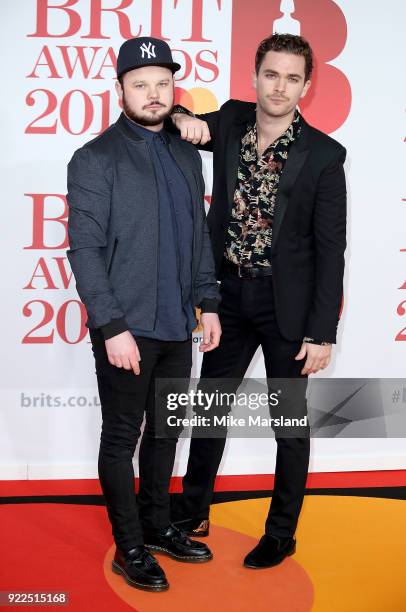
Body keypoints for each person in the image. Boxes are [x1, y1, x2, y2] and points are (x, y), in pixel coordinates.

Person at [170, 33, 347, 568]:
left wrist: (322, 333)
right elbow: (179, 115)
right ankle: (192, 511)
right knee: (209, 409)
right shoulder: (229, 122)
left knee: (288, 425)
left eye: (292, 78)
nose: (280, 86)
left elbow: (330, 251)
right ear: (255, 76)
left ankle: (281, 531)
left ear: (306, 86)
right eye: (271, 74)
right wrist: (181, 117)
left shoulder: (323, 155)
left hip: (287, 307)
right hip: (228, 294)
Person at [66, 36, 221, 592]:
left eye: (162, 84)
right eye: (140, 85)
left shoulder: (185, 152)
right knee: (123, 437)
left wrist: (208, 303)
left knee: (167, 432)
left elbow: (198, 236)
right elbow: (83, 250)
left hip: (180, 324)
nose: (153, 95)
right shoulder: (94, 159)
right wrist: (111, 327)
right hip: (126, 330)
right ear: (120, 90)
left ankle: (157, 526)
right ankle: (129, 545)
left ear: (172, 90)